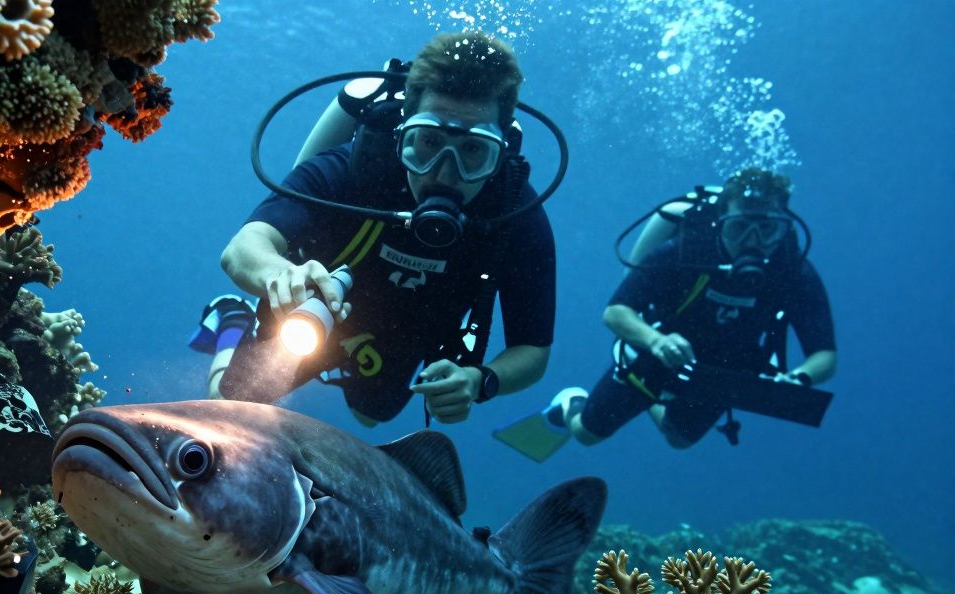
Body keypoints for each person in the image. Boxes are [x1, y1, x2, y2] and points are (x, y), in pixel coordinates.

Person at [192, 31, 556, 427]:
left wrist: (478, 380)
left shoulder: (515, 213)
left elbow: (533, 349)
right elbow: (244, 247)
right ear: (402, 137)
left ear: (499, 152)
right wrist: (282, 277)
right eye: (429, 142)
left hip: (407, 333)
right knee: (227, 407)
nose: (445, 172)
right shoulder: (356, 170)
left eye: (473, 150)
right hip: (318, 306)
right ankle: (233, 318)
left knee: (371, 416)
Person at [546, 168, 836, 450]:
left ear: (784, 226)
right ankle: (571, 400)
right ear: (721, 219)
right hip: (655, 352)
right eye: (738, 227)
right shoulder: (685, 252)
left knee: (679, 440)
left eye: (767, 230)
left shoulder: (793, 271)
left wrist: (800, 377)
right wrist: (656, 341)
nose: (752, 242)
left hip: (722, 368)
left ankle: (657, 399)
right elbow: (616, 312)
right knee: (586, 434)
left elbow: (824, 354)